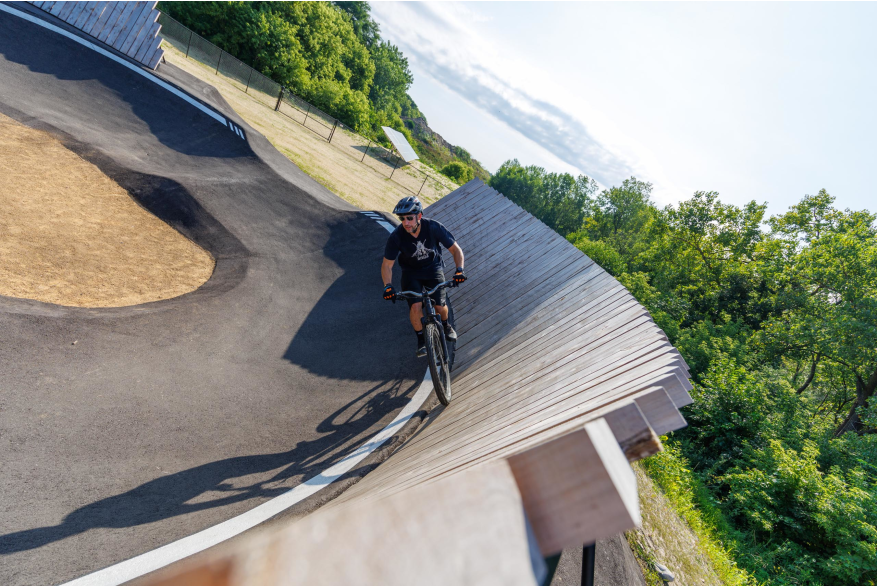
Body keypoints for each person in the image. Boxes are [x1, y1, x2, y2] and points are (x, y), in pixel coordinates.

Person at [381, 196, 467, 357]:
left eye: (409, 218)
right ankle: (421, 339)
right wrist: (388, 286)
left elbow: (456, 250)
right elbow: (387, 265)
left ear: (419, 216)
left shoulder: (433, 227)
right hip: (411, 272)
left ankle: (446, 325)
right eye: (402, 219)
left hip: (433, 268)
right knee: (415, 306)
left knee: (439, 306)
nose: (406, 222)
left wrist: (459, 270)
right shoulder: (397, 237)